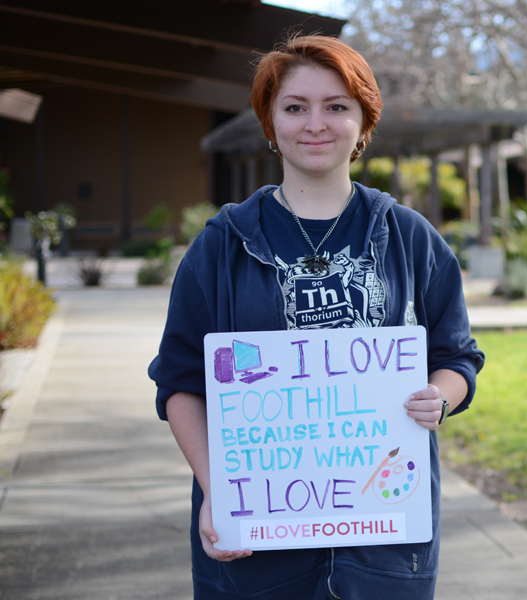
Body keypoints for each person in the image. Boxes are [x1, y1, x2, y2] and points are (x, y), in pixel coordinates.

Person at [149, 34, 485, 600]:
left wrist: (440, 395)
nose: (315, 124)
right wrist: (219, 492)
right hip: (259, 538)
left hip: (384, 536)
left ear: (363, 122)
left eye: (336, 107)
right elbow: (180, 381)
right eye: (295, 107)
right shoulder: (222, 245)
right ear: (270, 122)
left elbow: (456, 356)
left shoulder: (409, 238)